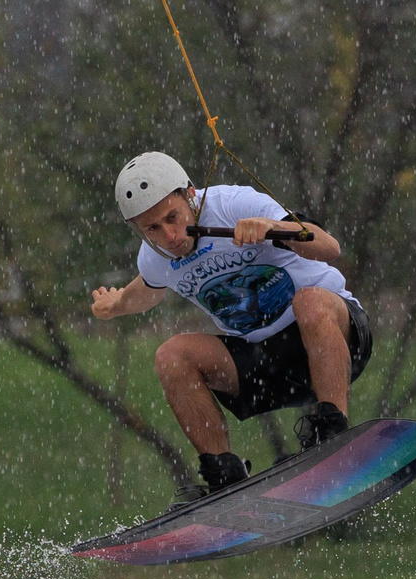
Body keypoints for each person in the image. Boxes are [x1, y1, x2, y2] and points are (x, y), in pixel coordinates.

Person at [89, 150, 370, 494]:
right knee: (171, 355)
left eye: (173, 217)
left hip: (336, 338)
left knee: (308, 300)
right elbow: (146, 292)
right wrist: (114, 304)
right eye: (153, 228)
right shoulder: (156, 257)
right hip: (266, 367)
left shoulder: (234, 204)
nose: (170, 236)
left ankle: (333, 432)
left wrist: (273, 228)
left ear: (190, 194)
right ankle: (224, 475)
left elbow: (329, 247)